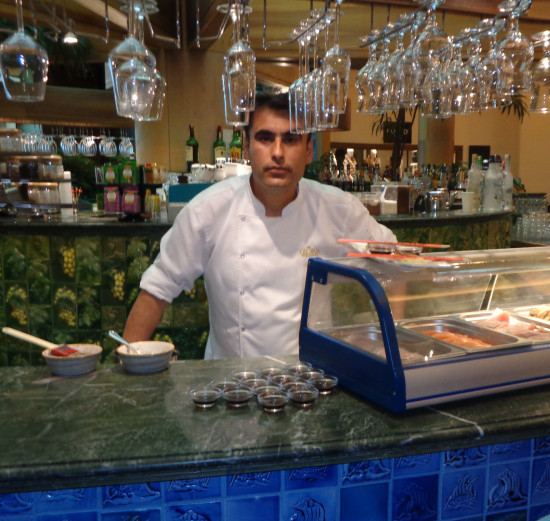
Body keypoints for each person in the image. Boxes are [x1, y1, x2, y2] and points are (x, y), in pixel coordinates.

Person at [123, 92, 396, 359]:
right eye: (265, 138)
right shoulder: (208, 210)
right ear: (247, 147)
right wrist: (127, 370)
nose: (277, 153)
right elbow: (158, 287)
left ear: (308, 150)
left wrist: (389, 344)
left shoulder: (339, 210)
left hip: (313, 378)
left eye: (291, 139)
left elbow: (394, 260)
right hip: (232, 380)